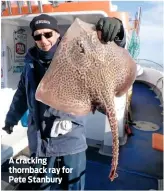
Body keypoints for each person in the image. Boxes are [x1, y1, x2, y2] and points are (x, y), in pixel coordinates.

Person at [2, 14, 126, 190]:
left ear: (57, 34)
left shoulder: (76, 54)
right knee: (41, 186)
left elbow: (104, 51)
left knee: (72, 187)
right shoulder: (30, 63)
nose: (43, 40)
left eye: (48, 34)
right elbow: (21, 94)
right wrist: (11, 119)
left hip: (70, 141)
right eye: (37, 36)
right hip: (39, 143)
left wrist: (118, 32)